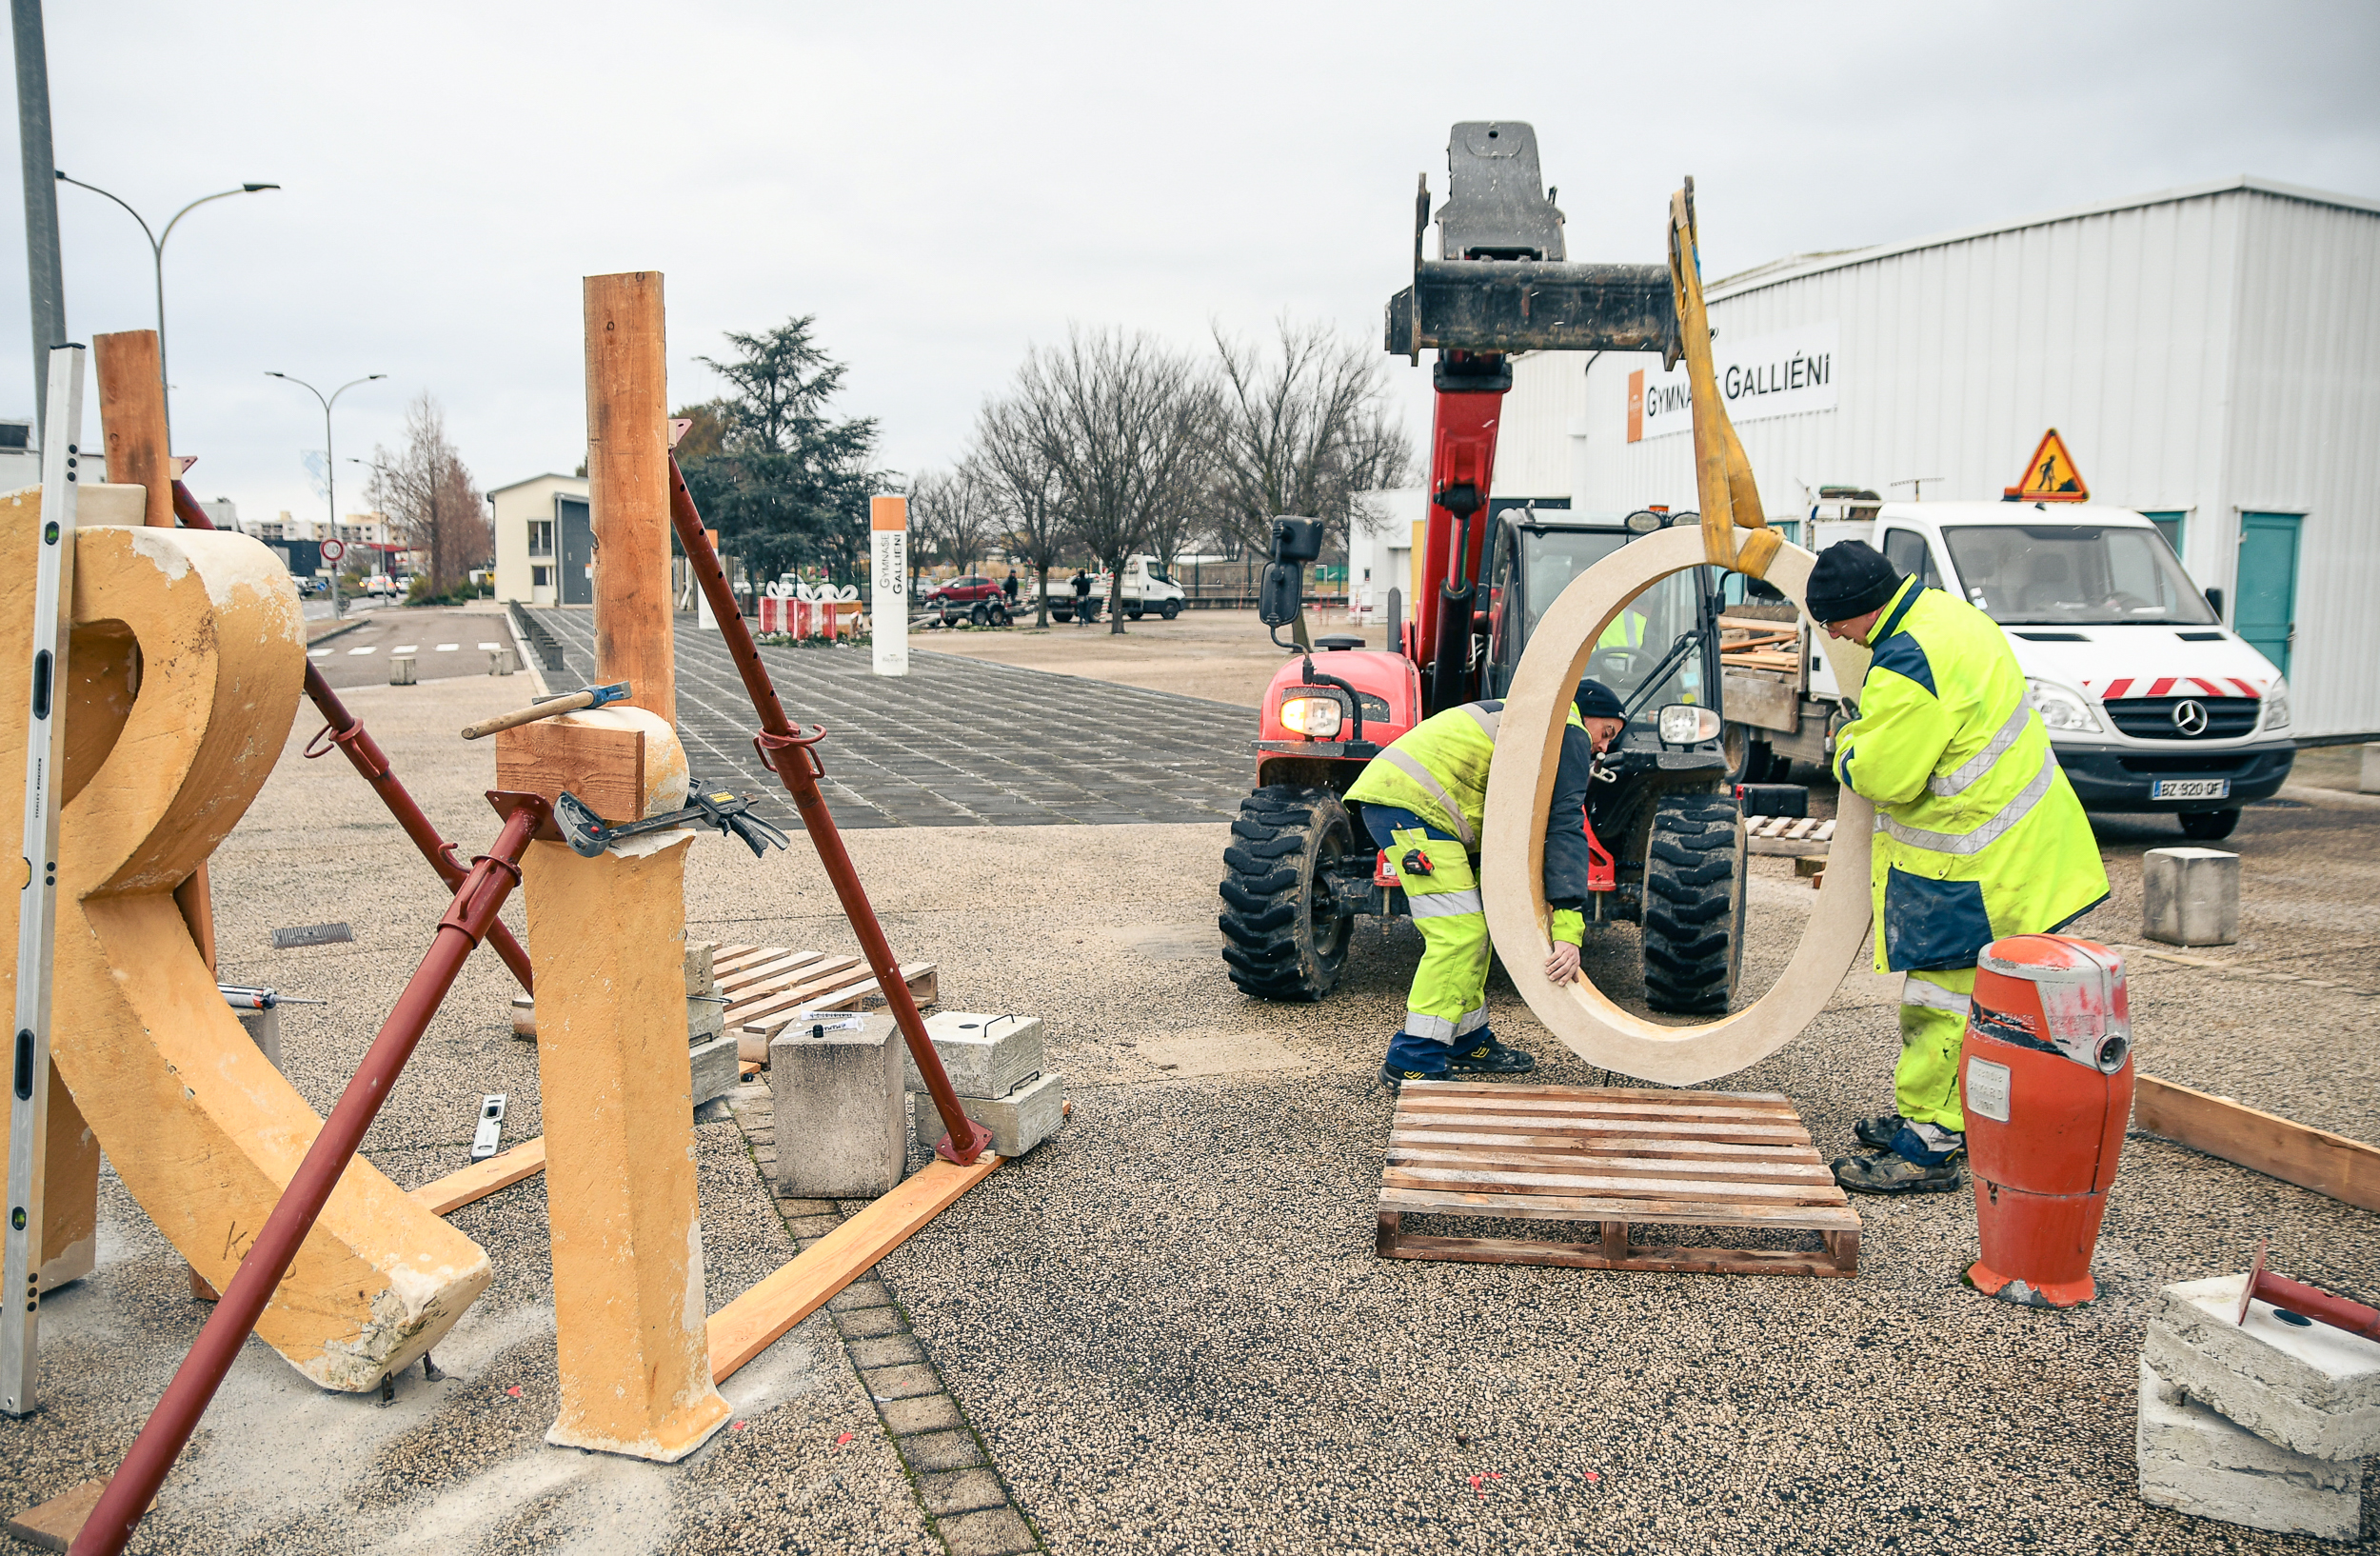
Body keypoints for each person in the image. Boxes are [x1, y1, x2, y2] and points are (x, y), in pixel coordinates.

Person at [1809, 540, 2109, 1194]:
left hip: (1973, 868)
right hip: (2023, 846)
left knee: (1939, 1004)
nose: (1833, 635)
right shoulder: (1952, 618)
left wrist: (1844, 746)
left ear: (1860, 610)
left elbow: (1886, 773)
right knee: (1976, 1002)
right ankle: (1946, 1120)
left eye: (1833, 621)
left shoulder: (1906, 662)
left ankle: (1931, 1144)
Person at [1347, 679, 1629, 1089]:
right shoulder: (1567, 728)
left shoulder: (1535, 718)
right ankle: (1412, 1058)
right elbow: (1564, 825)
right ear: (1588, 714)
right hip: (1412, 808)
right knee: (1461, 933)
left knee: (1479, 926)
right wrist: (1569, 929)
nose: (1603, 747)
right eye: (1607, 733)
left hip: (1420, 806)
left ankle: (1467, 1041)